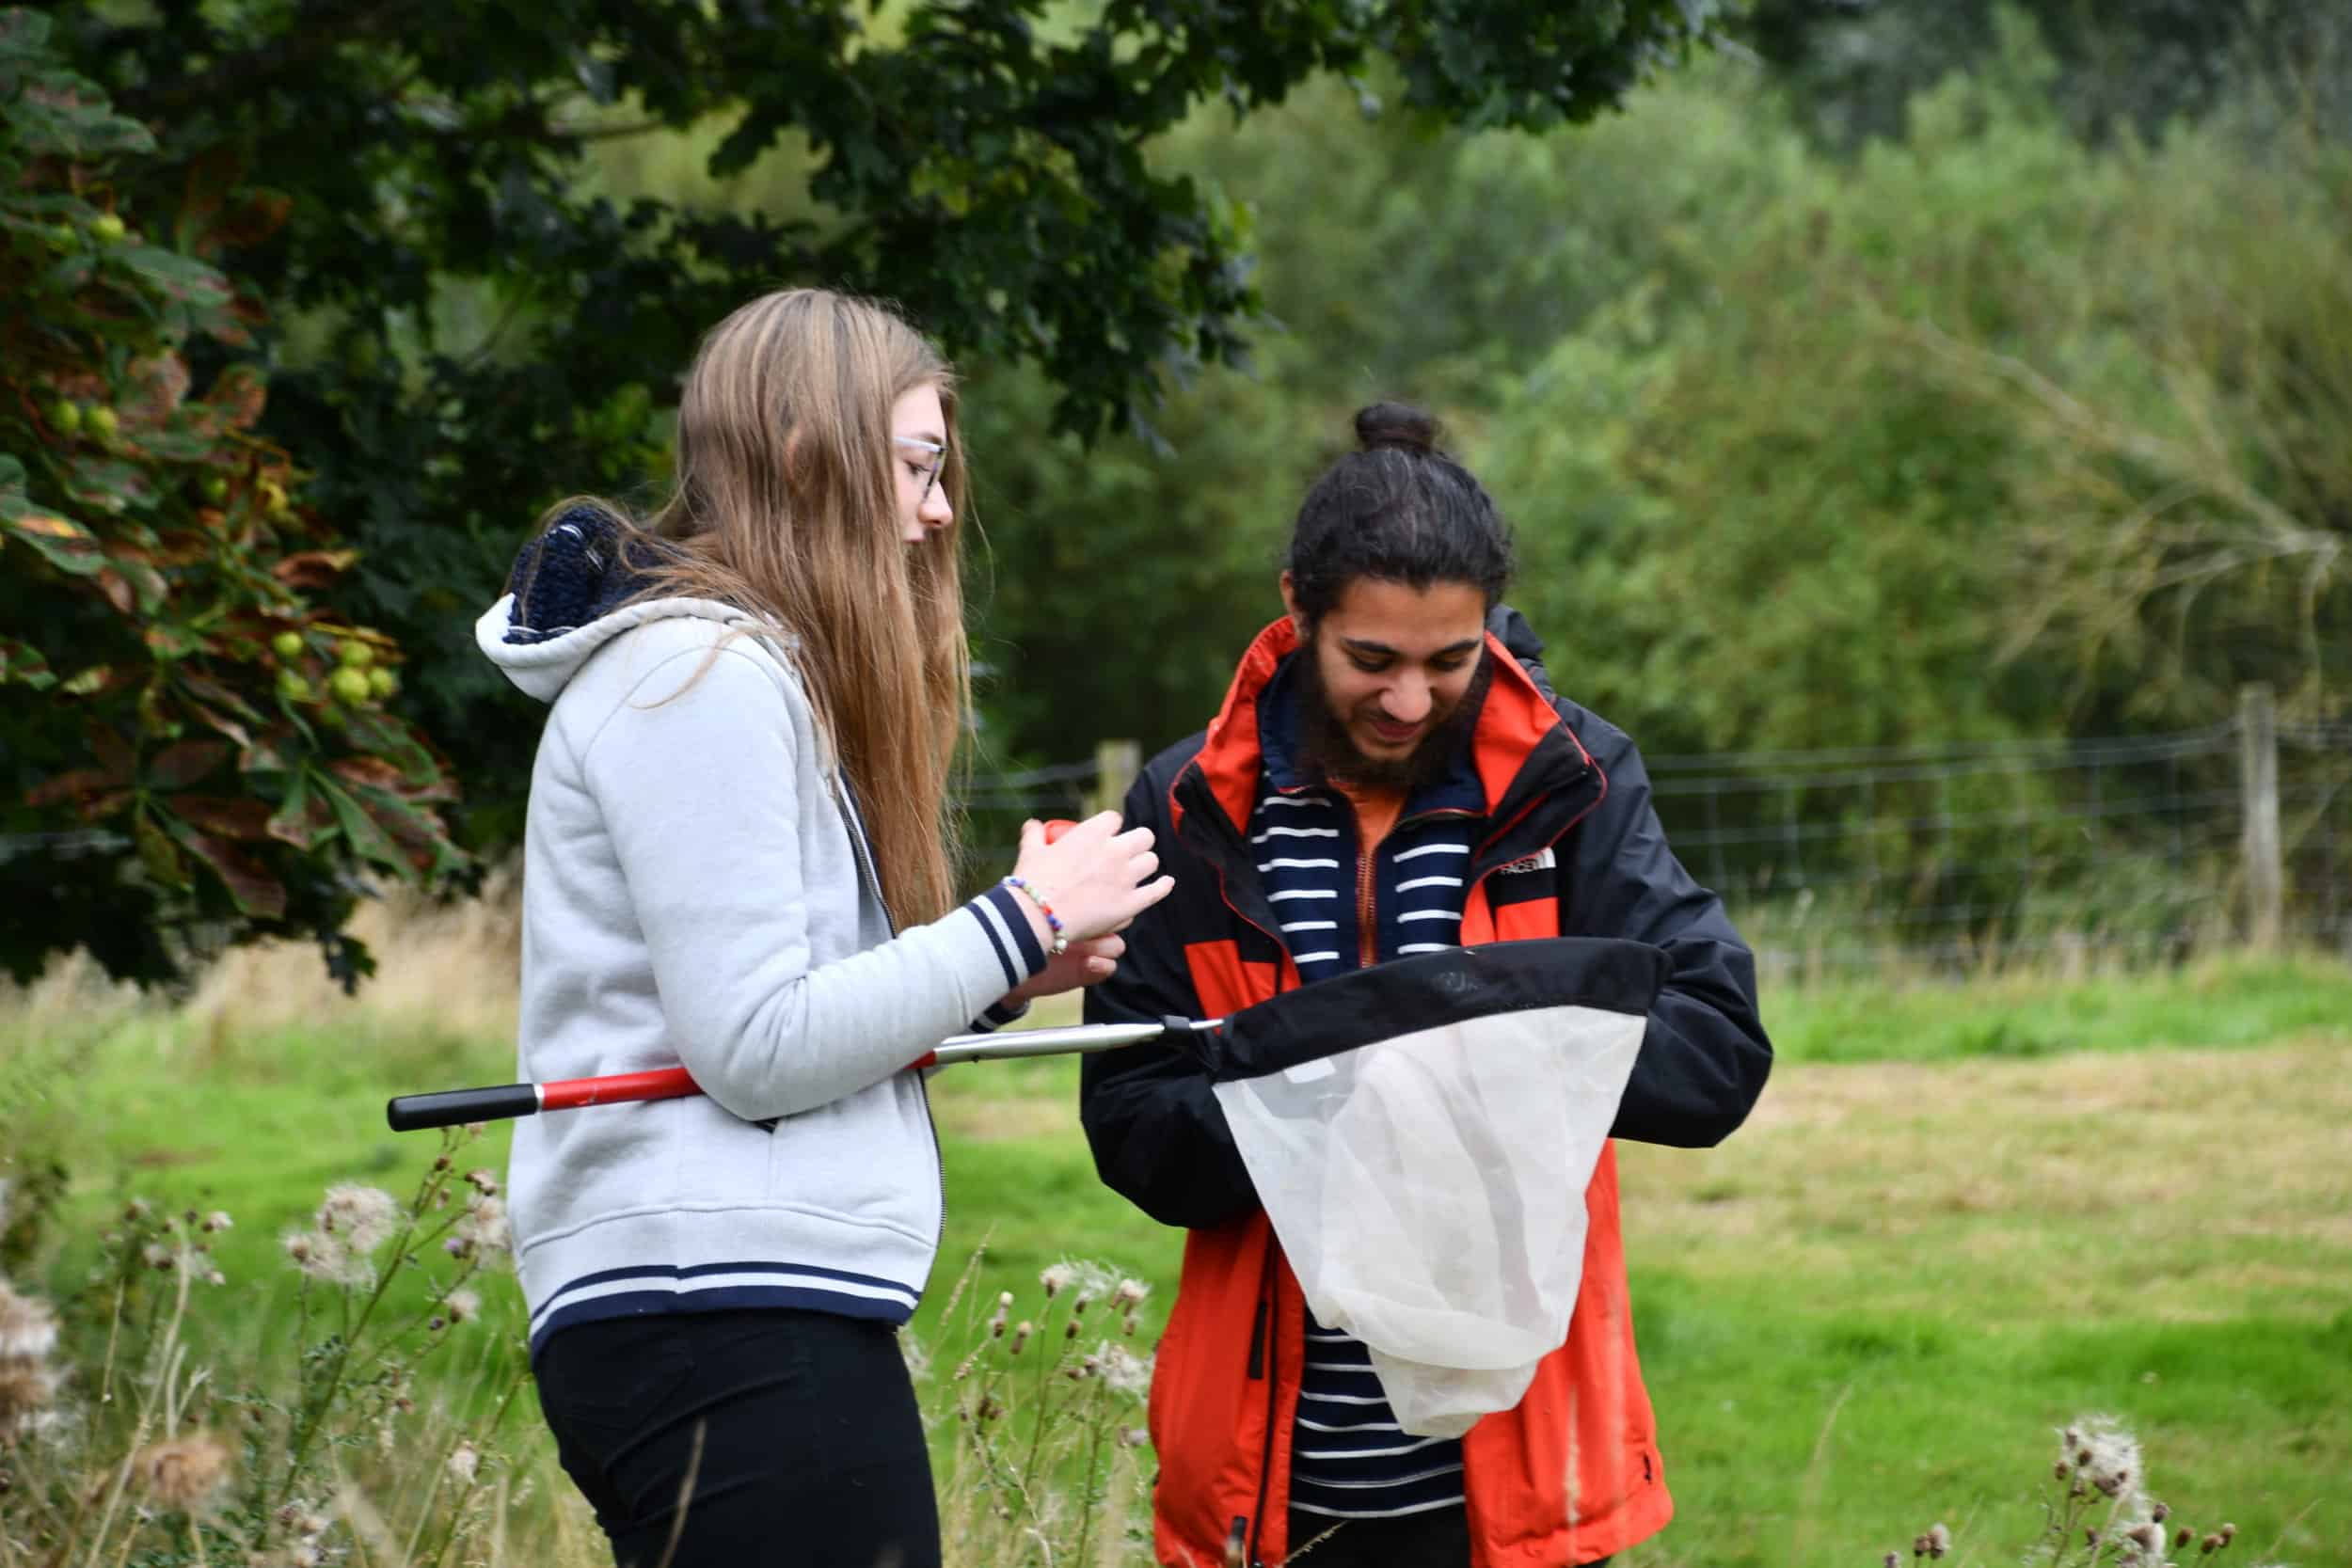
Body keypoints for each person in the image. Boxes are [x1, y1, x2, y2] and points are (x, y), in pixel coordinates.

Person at [475, 287, 1172, 1568]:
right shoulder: (699, 677)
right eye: (918, 464)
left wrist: (1001, 979)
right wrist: (1022, 917)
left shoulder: (733, 674)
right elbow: (757, 1045)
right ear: (808, 451)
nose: (941, 508)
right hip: (718, 1313)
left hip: (725, 1309)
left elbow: (789, 1002)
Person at [1077, 402, 1772, 1568]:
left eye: (1448, 662)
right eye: (1372, 661)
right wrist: (1332, 1083)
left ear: (1487, 625)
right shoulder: (1189, 806)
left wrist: (1486, 1038)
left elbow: (1717, 1058)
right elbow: (1137, 1130)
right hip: (1272, 1491)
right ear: (1297, 608)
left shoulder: (1575, 780)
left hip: (1526, 1478)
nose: (1409, 701)